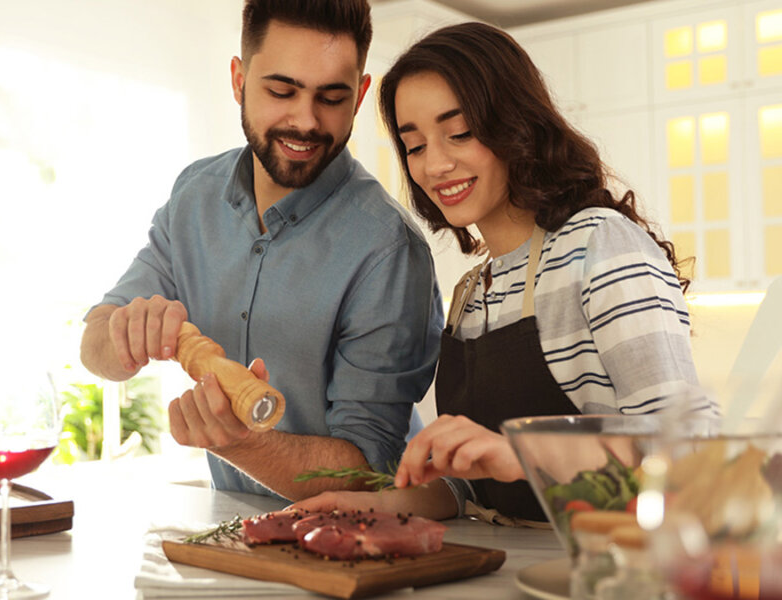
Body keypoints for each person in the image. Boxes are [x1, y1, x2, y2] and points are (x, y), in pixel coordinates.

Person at [292, 22, 718, 523]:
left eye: (459, 133)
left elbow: (690, 455)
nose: (435, 165)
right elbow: (477, 488)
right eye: (416, 145)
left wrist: (527, 455)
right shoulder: (471, 293)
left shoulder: (598, 245)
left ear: (514, 124)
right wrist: (370, 505)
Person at [80, 0, 443, 501]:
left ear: (359, 96)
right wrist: (125, 337)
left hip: (353, 542)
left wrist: (242, 443)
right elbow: (95, 342)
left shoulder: (388, 249)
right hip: (236, 532)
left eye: (332, 98)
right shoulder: (194, 197)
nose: (306, 121)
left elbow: (368, 470)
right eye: (281, 90)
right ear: (238, 80)